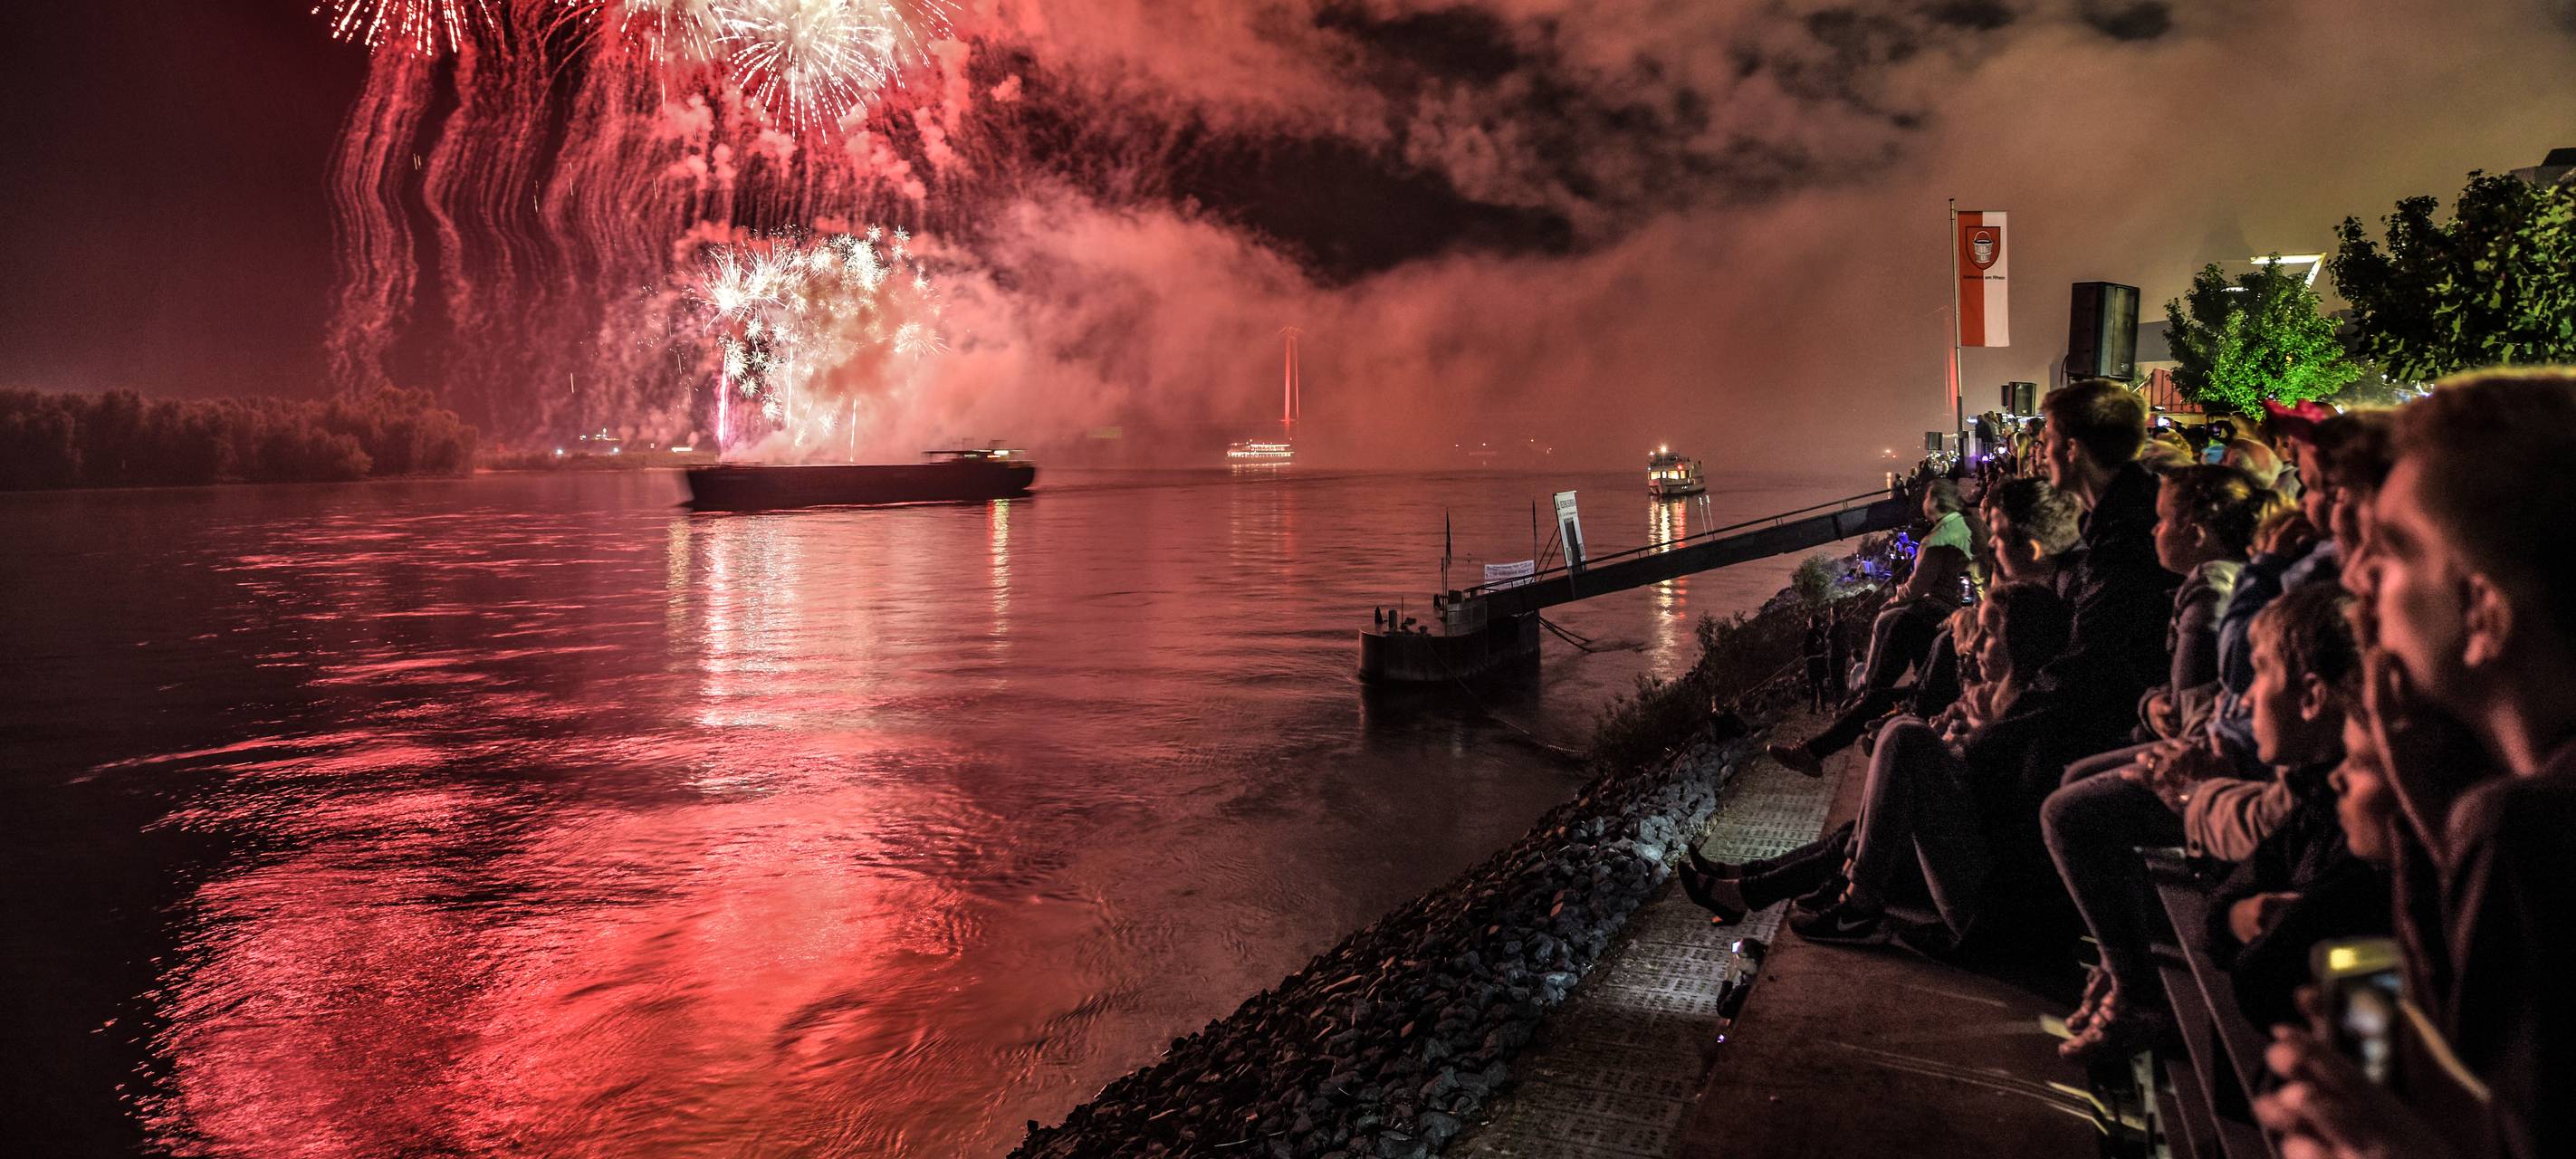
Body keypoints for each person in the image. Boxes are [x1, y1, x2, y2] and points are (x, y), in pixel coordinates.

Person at [2261, 369, 2576, 1159]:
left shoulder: (2527, 826)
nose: (2360, 579)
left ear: (2482, 614)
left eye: (2395, 550)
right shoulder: (2504, 805)